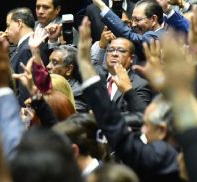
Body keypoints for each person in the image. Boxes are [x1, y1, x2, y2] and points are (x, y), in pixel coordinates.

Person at [76, 20, 180, 181]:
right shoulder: (99, 75)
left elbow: (141, 117)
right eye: (111, 49)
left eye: (120, 51)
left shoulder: (139, 84)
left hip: (122, 158)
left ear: (131, 59)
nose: (114, 53)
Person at [46, 45, 89, 113]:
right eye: (49, 61)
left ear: (69, 69)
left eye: (54, 63)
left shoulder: (77, 94)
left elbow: (69, 120)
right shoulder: (49, 84)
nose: (48, 66)